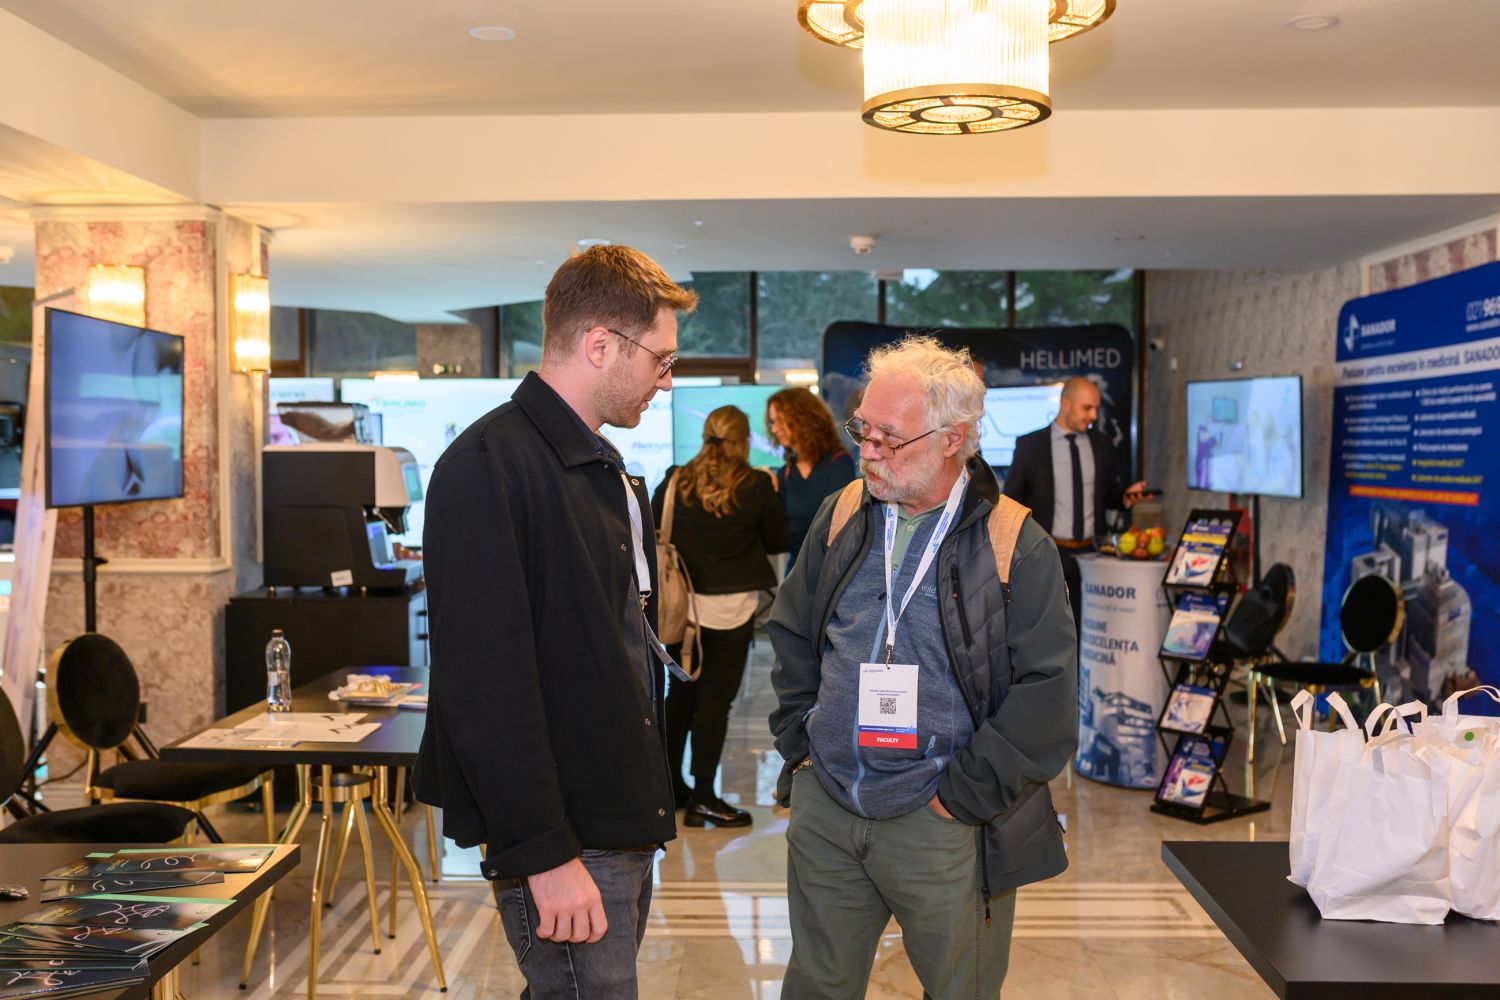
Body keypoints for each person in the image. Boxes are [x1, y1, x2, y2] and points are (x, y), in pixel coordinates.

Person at [414, 245, 698, 999]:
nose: (666, 381)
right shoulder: (486, 464)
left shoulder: (597, 463)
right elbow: (486, 686)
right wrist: (544, 854)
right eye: (661, 361)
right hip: (569, 836)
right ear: (600, 344)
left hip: (615, 816)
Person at [768, 336, 1077, 999]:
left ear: (951, 439)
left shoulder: (1014, 545)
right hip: (829, 807)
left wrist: (960, 799)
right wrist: (802, 746)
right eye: (863, 431)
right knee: (816, 986)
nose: (868, 451)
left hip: (942, 822)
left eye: (890, 438)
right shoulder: (843, 513)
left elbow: (1047, 697)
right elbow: (791, 631)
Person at [652, 405, 788, 828]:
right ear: (744, 440)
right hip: (732, 612)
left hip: (681, 612)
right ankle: (704, 796)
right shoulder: (756, 484)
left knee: (680, 697)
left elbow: (654, 530)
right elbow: (777, 540)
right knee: (715, 703)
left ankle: (671, 788)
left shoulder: (676, 479)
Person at [1004, 375, 1146, 626]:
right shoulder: (1031, 445)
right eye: (1087, 408)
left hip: (1091, 556)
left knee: (1088, 627)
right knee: (1047, 628)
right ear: (1066, 404)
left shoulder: (1102, 444)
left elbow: (1107, 493)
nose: (1093, 415)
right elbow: (1012, 501)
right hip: (1047, 554)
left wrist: (1125, 498)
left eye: (1096, 408)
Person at [766, 386, 856, 563]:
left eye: (779, 421)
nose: (774, 429)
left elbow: (837, 528)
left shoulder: (838, 463)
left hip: (830, 568)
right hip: (797, 569)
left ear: (801, 419)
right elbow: (778, 536)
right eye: (772, 422)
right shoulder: (786, 473)